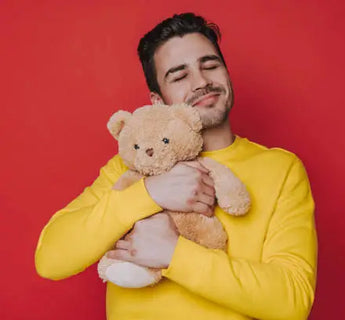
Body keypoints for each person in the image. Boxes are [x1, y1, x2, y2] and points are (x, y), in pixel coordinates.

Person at [35, 12, 317, 320]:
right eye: (180, 76)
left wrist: (173, 253)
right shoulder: (133, 166)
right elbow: (50, 259)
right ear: (158, 101)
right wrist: (148, 194)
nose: (202, 82)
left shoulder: (281, 168)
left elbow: (292, 301)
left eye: (210, 65)